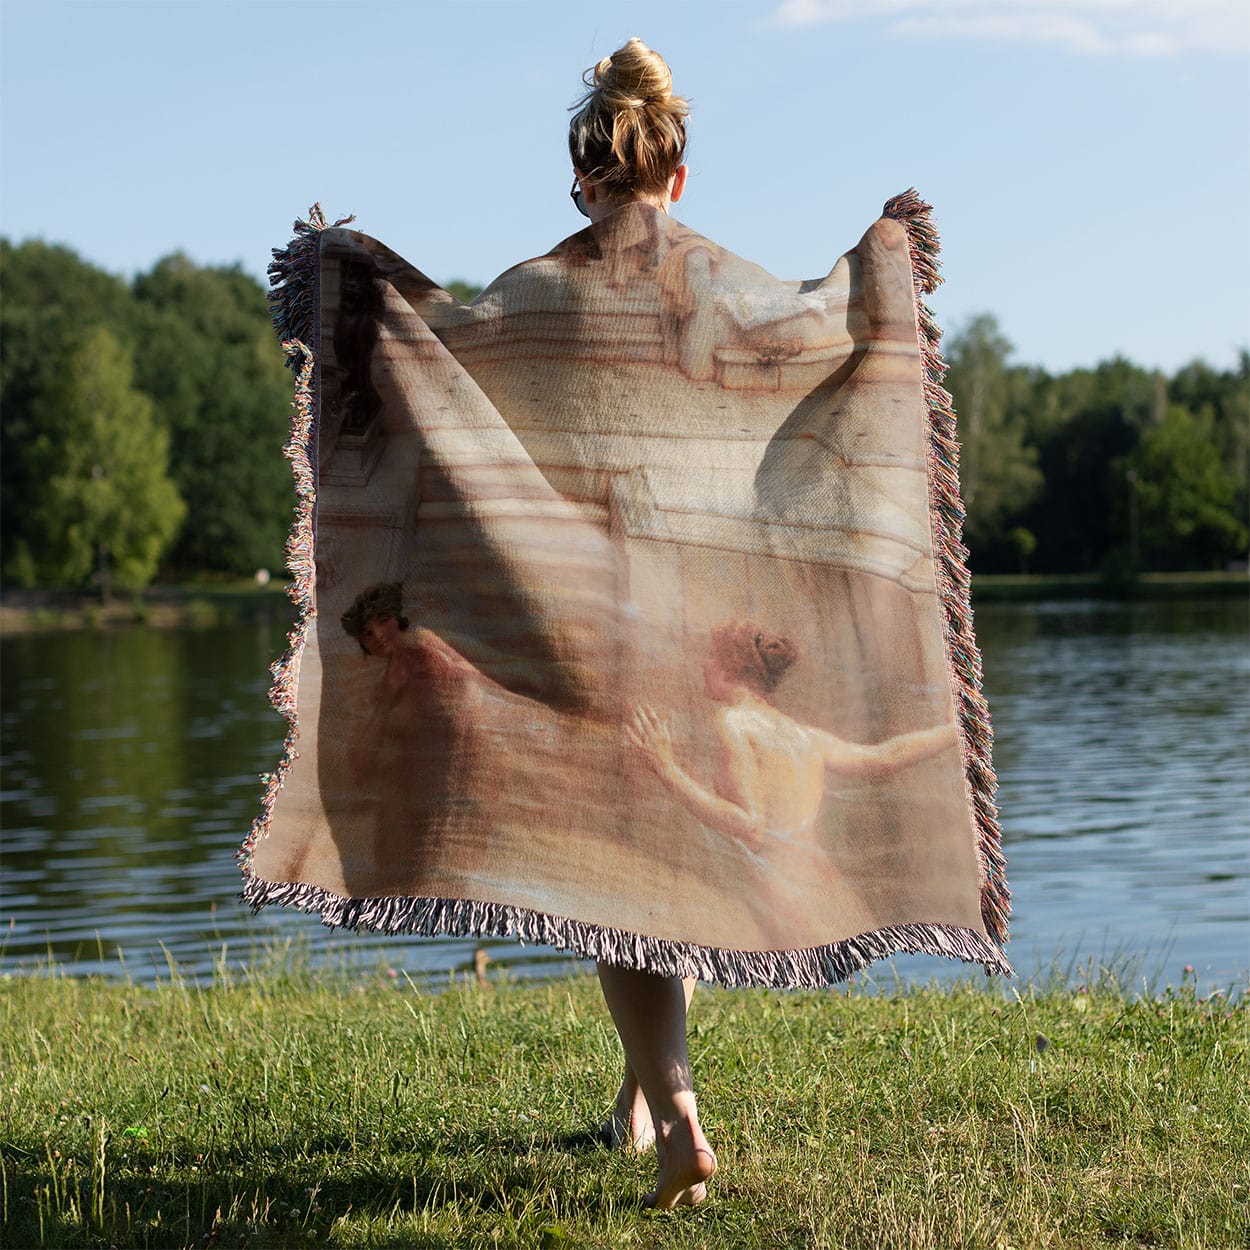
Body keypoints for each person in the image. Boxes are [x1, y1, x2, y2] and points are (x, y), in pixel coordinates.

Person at [565, 37, 718, 1211]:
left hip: (586, 615)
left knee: (616, 881)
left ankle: (676, 1116)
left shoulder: (542, 289)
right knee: (662, 865)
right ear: (675, 175)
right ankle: (633, 1099)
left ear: (584, 178)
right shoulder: (719, 286)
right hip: (701, 614)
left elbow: (447, 385)